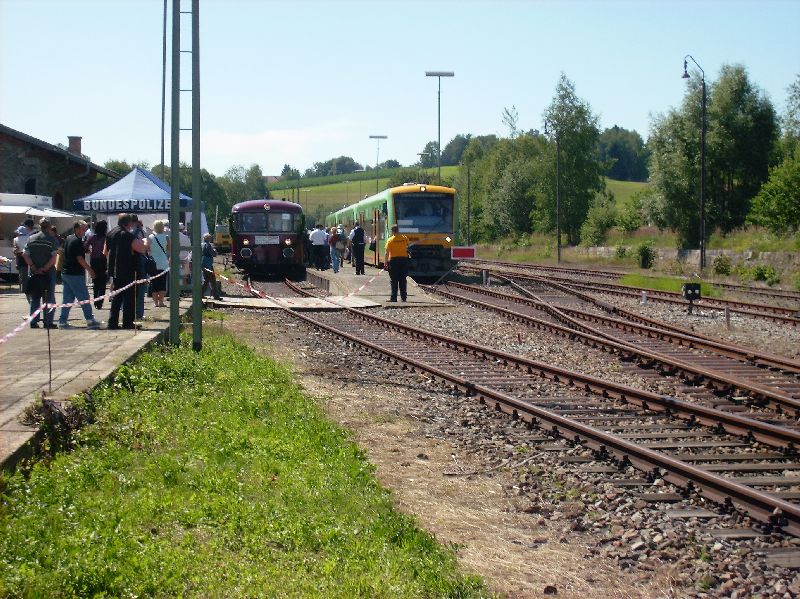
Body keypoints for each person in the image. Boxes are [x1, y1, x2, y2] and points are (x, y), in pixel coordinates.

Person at [57, 220, 101, 329]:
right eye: (83, 229)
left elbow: (66, 252)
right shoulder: (76, 241)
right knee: (84, 297)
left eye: (86, 229)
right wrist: (90, 270)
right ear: (77, 229)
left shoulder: (68, 238)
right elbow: (79, 258)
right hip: (75, 274)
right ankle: (90, 319)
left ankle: (62, 321)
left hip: (66, 272)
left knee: (67, 299)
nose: (85, 231)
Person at [107, 214, 147, 330]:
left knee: (117, 297)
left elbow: (106, 251)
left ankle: (112, 322)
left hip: (115, 270)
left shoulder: (111, 233)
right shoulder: (127, 235)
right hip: (128, 270)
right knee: (129, 298)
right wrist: (145, 242)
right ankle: (128, 322)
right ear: (128, 223)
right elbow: (141, 248)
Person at [23, 218, 59, 328]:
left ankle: (34, 321)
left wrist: (34, 267)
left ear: (39, 226)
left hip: (34, 272)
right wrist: (44, 268)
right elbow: (54, 258)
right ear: (49, 227)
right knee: (49, 297)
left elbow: (25, 254)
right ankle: (48, 322)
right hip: (48, 273)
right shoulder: (52, 240)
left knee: (35, 296)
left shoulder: (31, 238)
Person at [384, 224, 410, 302]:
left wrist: (385, 262)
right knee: (403, 279)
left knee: (394, 280)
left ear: (392, 231)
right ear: (399, 230)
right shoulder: (405, 238)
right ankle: (404, 297)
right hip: (404, 260)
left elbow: (387, 253)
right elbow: (408, 247)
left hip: (393, 261)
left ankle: (394, 298)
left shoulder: (390, 240)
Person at [86, 220, 109, 309]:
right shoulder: (106, 238)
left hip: (94, 261)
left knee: (95, 282)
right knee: (102, 283)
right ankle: (100, 302)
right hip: (102, 260)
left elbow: (85, 247)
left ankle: (96, 300)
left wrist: (91, 252)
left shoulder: (92, 237)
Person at [146, 220, 169, 307]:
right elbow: (169, 248)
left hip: (153, 263)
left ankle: (155, 302)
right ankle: (161, 302)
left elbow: (147, 249)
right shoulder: (166, 237)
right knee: (162, 283)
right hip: (163, 262)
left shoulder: (150, 237)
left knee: (154, 283)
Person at [12, 218, 35, 302]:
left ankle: (28, 293)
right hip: (26, 259)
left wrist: (16, 250)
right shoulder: (30, 237)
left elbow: (15, 250)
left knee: (24, 277)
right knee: (26, 277)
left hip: (23, 259)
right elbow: (15, 250)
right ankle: (29, 293)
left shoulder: (19, 239)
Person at [201, 233, 222, 300]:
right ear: (209, 239)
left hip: (203, 264)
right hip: (208, 265)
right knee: (213, 280)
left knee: (206, 280)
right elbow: (213, 254)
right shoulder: (208, 245)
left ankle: (200, 294)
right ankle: (216, 296)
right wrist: (215, 251)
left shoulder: (202, 245)